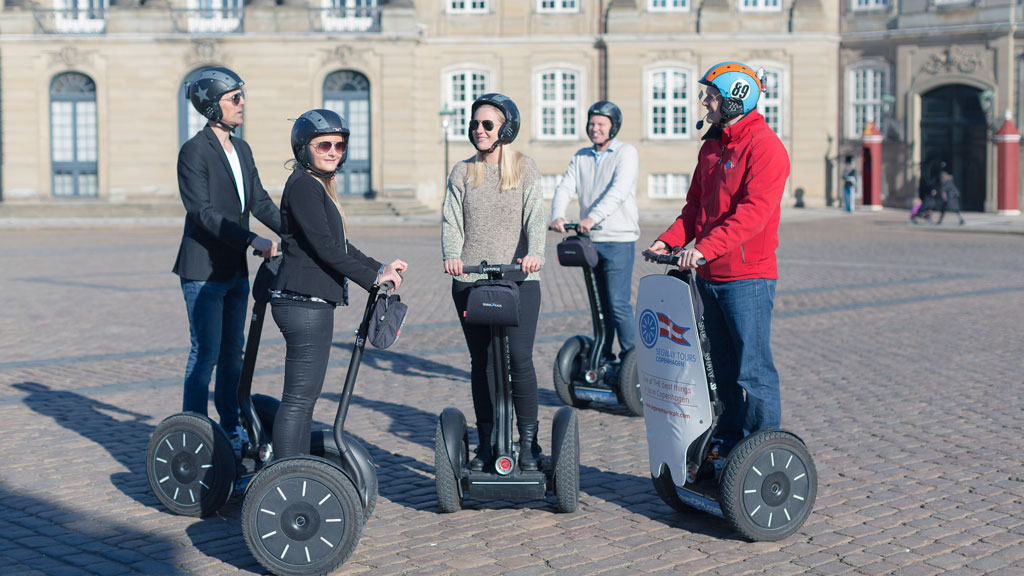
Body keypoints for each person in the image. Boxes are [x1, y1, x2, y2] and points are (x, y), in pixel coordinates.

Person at [647, 62, 789, 461]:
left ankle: (763, 452)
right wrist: (667, 240)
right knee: (719, 371)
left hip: (747, 278)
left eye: (710, 96)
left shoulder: (765, 147)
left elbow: (753, 213)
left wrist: (705, 247)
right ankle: (728, 444)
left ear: (734, 101)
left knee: (753, 372)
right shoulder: (712, 145)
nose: (704, 102)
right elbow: (695, 207)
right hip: (707, 277)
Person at [270, 109, 406, 459]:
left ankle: (295, 469)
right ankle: (286, 478)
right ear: (304, 148)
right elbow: (325, 248)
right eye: (324, 145)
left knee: (305, 399)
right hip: (302, 304)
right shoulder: (303, 186)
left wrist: (380, 268)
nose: (333, 151)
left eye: (340, 145)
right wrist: (373, 280)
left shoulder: (316, 185)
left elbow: (341, 246)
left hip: (310, 303)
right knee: (299, 399)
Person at [173, 66, 282, 449]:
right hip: (202, 270)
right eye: (234, 98)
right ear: (211, 105)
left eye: (241, 96)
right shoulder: (193, 152)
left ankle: (232, 427)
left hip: (234, 270)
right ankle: (195, 434)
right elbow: (202, 213)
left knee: (233, 353)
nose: (242, 103)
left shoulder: (243, 149)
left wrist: (297, 231)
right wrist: (252, 238)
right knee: (205, 353)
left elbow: (259, 201)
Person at [441, 93, 546, 472]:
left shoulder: (524, 167)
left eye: (487, 124)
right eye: (475, 124)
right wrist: (452, 256)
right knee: (482, 361)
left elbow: (535, 216)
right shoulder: (462, 172)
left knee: (519, 359)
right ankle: (486, 443)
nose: (479, 130)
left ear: (506, 127)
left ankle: (529, 443)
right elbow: (452, 221)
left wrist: (535, 252)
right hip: (470, 280)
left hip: (520, 279)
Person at [549, 101, 640, 364]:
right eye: (592, 123)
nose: (595, 128)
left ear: (613, 126)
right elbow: (565, 186)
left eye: (601, 124)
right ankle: (604, 358)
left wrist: (591, 217)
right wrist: (557, 214)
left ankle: (632, 362)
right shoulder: (581, 156)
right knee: (599, 307)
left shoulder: (626, 152)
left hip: (618, 240)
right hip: (591, 241)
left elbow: (619, 191)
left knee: (618, 304)